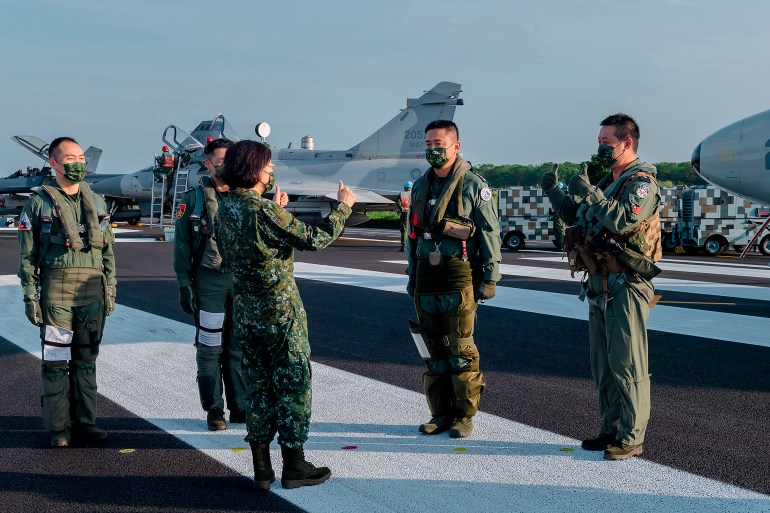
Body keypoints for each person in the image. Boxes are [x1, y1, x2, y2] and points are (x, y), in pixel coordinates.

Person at [214, 140, 356, 490]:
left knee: (258, 388)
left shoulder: (225, 208)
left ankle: (261, 467)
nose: (271, 170)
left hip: (247, 312)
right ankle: (294, 465)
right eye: (267, 165)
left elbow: (237, 254)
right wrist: (343, 208)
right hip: (280, 313)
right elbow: (314, 238)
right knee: (293, 385)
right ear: (254, 169)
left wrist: (273, 211)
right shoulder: (261, 211)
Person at [540, 113, 662, 461]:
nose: (600, 148)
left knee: (627, 362)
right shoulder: (609, 183)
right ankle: (610, 428)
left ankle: (632, 436)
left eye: (606, 143)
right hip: (599, 284)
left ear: (627, 143)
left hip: (626, 283)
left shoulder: (642, 183)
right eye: (599, 142)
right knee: (603, 364)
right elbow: (579, 215)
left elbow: (623, 218)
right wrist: (555, 192)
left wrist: (591, 193)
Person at [18, 136, 117, 447]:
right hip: (57, 294)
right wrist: (30, 294)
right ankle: (60, 428)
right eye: (69, 158)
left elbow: (108, 251)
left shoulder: (98, 202)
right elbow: (27, 255)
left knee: (86, 360)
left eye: (80, 157)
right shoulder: (38, 203)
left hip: (91, 293)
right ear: (54, 163)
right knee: (57, 362)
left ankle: (86, 423)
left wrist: (110, 287)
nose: (77, 163)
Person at [405, 120, 502, 439]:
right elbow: (412, 235)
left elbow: (489, 234)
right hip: (426, 279)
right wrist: (411, 273)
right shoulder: (420, 186)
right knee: (432, 351)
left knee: (460, 349)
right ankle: (440, 413)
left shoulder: (474, 186)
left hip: (459, 277)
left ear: (455, 146)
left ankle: (463, 416)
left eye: (439, 144)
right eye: (429, 144)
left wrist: (490, 277)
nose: (433, 150)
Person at [174, 138, 247, 431]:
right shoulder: (193, 200)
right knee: (209, 347)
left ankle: (241, 407)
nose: (226, 167)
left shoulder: (247, 198)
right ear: (207, 164)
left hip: (241, 284)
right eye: (219, 162)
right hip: (210, 284)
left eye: (231, 162)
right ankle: (214, 410)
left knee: (239, 347)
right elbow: (182, 245)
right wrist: (184, 284)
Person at [398, 181, 413, 251]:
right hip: (412, 213)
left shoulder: (401, 194)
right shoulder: (414, 194)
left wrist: (402, 209)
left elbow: (398, 202)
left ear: (404, 187)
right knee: (412, 229)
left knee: (404, 230)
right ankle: (413, 246)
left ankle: (404, 246)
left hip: (404, 213)